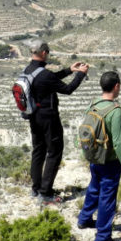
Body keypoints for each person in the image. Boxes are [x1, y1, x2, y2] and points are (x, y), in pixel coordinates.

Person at [23, 41, 89, 204]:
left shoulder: (29, 70)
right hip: (49, 118)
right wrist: (80, 73)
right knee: (54, 151)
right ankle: (45, 194)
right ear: (44, 53)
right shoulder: (44, 74)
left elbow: (49, 80)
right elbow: (67, 89)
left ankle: (36, 188)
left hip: (33, 116)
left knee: (38, 151)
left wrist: (69, 70)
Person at [77, 70, 121, 241]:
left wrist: (85, 154)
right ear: (116, 86)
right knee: (107, 197)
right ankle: (102, 236)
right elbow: (118, 142)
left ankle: (84, 220)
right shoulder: (115, 111)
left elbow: (85, 128)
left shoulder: (93, 104)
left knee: (94, 188)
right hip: (109, 161)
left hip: (94, 157)